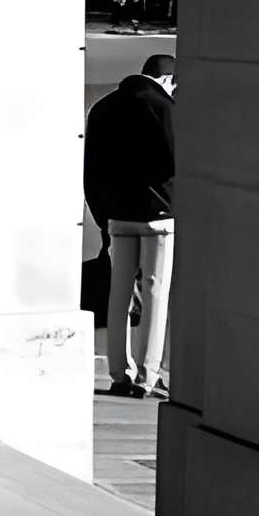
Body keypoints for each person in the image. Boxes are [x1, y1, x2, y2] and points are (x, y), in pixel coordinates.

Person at [84, 51, 176, 399]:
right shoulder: (166, 109)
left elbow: (91, 172)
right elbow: (173, 160)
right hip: (159, 216)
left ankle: (119, 372)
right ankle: (147, 375)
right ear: (169, 80)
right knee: (155, 292)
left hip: (117, 216)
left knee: (118, 293)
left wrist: (102, 215)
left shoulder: (105, 109)